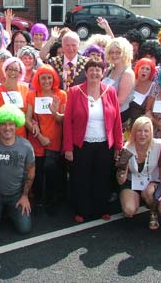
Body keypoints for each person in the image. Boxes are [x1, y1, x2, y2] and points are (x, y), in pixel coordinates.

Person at [63, 59, 123, 222]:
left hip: (104, 144)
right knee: (82, 178)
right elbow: (68, 121)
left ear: (103, 73)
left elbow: (117, 120)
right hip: (81, 144)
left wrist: (118, 145)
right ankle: (82, 211)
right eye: (92, 70)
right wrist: (68, 147)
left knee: (102, 177)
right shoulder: (75, 91)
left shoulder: (110, 91)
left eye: (98, 70)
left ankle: (101, 209)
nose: (95, 73)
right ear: (86, 72)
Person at [0, 104, 35, 235]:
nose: (7, 128)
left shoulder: (26, 146)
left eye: (11, 124)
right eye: (3, 124)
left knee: (24, 229)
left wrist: (25, 196)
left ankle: (9, 211)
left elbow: (31, 171)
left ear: (16, 125)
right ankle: (2, 211)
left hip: (17, 196)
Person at [25, 65, 67, 212]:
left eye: (49, 77)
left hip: (55, 140)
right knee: (37, 173)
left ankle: (51, 202)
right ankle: (38, 201)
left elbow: (63, 120)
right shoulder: (32, 95)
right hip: (37, 140)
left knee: (52, 172)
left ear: (54, 78)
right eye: (43, 78)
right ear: (38, 79)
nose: (46, 81)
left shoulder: (61, 95)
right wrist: (40, 136)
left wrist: (55, 113)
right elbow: (27, 119)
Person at [116, 117, 161, 230]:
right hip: (132, 182)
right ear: (134, 132)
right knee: (129, 211)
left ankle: (153, 211)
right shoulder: (127, 148)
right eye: (139, 130)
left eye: (146, 131)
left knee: (149, 193)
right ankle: (139, 199)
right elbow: (120, 180)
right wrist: (121, 168)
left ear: (151, 132)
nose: (142, 134)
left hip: (151, 181)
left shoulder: (159, 145)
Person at [0, 57, 30, 138]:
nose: (13, 72)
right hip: (2, 137)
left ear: (20, 73)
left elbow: (28, 115)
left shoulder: (25, 89)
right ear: (5, 70)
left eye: (16, 70)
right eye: (10, 69)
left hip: (20, 136)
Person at [103, 37, 135, 123]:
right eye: (112, 52)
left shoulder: (127, 73)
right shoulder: (109, 70)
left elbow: (120, 101)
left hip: (118, 116)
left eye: (118, 52)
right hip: (105, 113)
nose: (114, 55)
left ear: (125, 53)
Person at [128, 58, 156, 125]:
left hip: (141, 123)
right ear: (137, 69)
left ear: (151, 72)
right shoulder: (130, 81)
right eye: (142, 68)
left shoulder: (153, 86)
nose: (144, 71)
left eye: (147, 69)